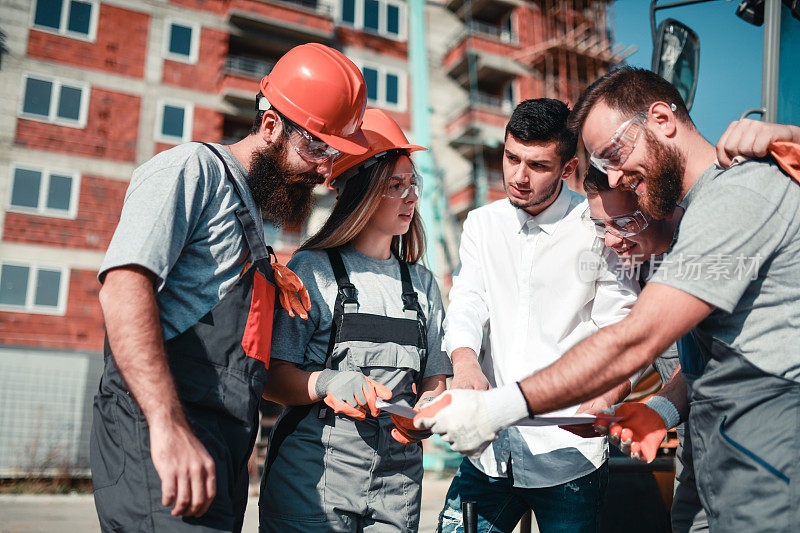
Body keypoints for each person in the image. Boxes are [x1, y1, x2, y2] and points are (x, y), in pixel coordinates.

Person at [415, 67, 800, 531]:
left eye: (615, 154)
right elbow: (710, 362)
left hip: (762, 471)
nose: (615, 176)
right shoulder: (692, 219)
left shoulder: (734, 197)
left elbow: (635, 337)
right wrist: (661, 409)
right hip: (714, 469)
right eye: (604, 164)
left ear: (661, 118)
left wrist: (495, 408)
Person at [91, 43, 369, 532]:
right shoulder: (189, 170)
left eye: (335, 155)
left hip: (218, 450)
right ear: (269, 125)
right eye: (317, 148)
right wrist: (167, 426)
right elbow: (123, 286)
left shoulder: (252, 224)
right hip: (160, 437)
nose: (325, 171)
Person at [436, 98, 640, 533]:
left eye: (538, 165)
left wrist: (609, 395)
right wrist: (465, 362)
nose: (518, 177)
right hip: (489, 451)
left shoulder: (601, 226)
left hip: (568, 455)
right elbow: (469, 298)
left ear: (567, 169)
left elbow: (623, 329)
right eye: (511, 158)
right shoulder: (481, 224)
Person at [257, 108, 452, 532]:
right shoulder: (313, 269)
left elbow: (436, 376)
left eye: (411, 183)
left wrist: (425, 412)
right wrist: (327, 383)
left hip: (396, 491)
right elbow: (272, 379)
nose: (411, 197)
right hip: (313, 488)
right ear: (361, 193)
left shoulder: (421, 283)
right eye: (395, 185)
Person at [582, 168, 707, 533]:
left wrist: (660, 410)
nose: (611, 240)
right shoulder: (640, 262)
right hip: (693, 452)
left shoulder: (705, 247)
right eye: (600, 225)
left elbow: (706, 358)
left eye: (622, 222)